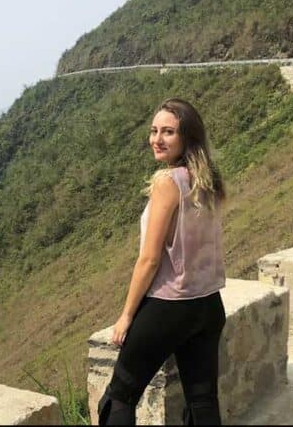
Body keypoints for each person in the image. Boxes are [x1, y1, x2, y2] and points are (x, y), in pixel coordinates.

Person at [97, 98, 227, 425]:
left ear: (187, 137)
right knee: (203, 402)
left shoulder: (167, 183)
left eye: (168, 132)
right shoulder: (206, 181)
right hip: (209, 305)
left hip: (169, 307)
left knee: (118, 397)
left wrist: (127, 316)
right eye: (154, 130)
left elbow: (149, 259)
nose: (157, 138)